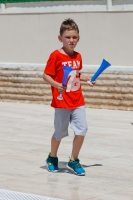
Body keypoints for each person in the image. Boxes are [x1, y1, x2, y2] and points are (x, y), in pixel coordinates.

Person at [43, 18, 95, 176]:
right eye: (68, 37)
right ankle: (52, 157)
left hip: (77, 100)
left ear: (78, 38)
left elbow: (75, 73)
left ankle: (74, 159)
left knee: (82, 130)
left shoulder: (78, 56)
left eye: (74, 37)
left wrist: (85, 78)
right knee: (59, 132)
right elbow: (45, 75)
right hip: (61, 102)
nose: (71, 40)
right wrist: (56, 85)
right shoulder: (55, 56)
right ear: (60, 38)